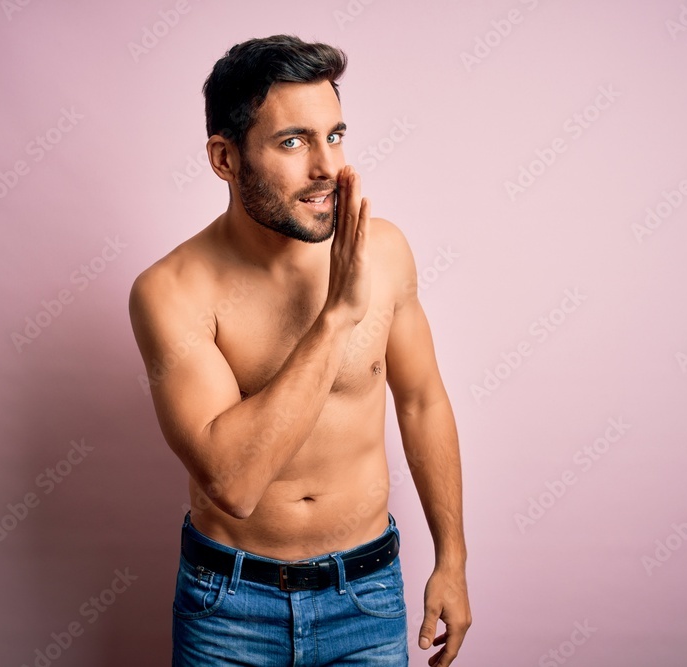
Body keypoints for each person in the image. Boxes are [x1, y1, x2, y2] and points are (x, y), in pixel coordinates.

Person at [129, 34, 470, 666]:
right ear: (225, 158)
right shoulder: (170, 292)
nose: (327, 168)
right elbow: (233, 483)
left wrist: (452, 557)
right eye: (293, 142)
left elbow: (422, 402)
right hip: (227, 606)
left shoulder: (385, 250)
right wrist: (337, 317)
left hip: (366, 595)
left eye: (334, 136)